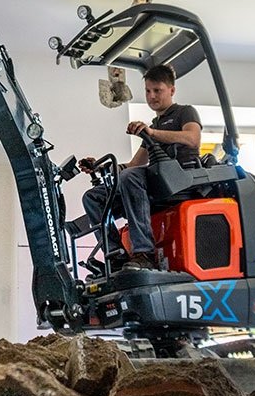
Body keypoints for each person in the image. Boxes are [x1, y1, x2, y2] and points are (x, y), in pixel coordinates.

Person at [80, 64, 202, 271]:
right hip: (156, 182)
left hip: (180, 180)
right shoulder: (153, 126)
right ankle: (116, 255)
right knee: (93, 197)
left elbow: (192, 139)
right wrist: (100, 168)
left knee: (131, 177)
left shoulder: (184, 112)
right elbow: (135, 164)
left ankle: (144, 252)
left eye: (157, 90)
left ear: (171, 90)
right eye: (148, 91)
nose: (152, 96)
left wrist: (152, 134)